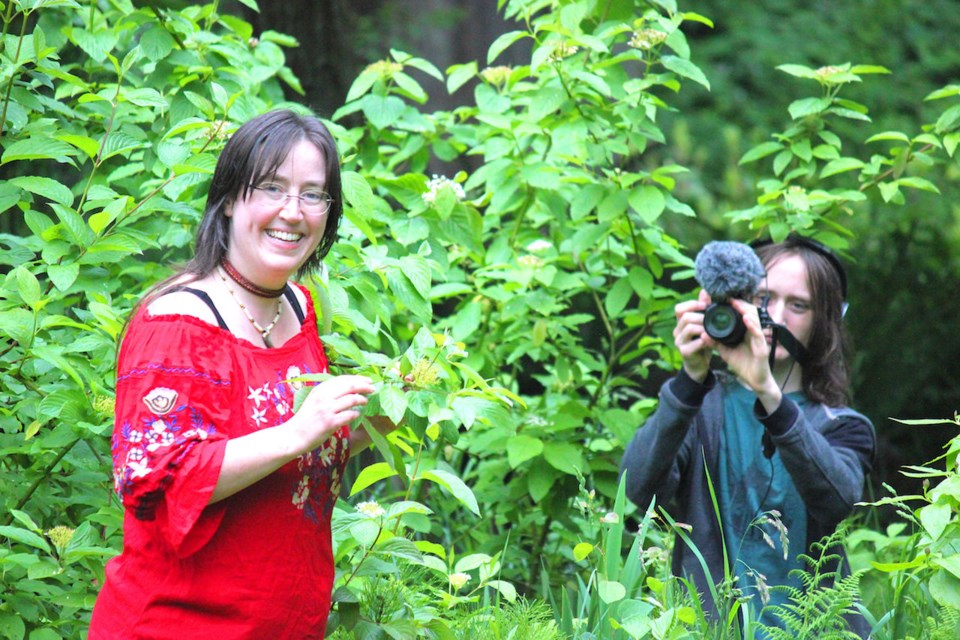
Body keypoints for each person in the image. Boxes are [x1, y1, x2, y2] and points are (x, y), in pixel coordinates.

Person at [89, 109, 395, 639]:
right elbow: (153, 481)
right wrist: (302, 429)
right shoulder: (177, 324)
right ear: (230, 199)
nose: (293, 212)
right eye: (272, 188)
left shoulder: (297, 307)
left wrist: (368, 426)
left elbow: (281, 459)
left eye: (313, 194)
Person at [619, 235, 875, 638]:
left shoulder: (842, 425)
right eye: (763, 298)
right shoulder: (703, 410)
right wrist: (689, 383)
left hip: (818, 629)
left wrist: (768, 394)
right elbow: (635, 491)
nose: (775, 315)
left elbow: (837, 501)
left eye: (798, 305)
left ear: (823, 323)